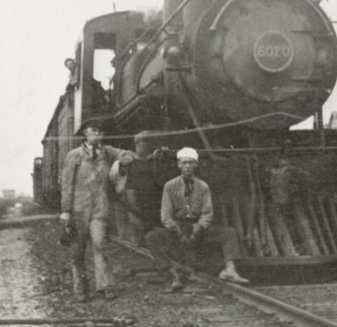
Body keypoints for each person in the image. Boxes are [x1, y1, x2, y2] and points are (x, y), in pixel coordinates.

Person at [145, 147, 249, 291]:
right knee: (151, 237)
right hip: (177, 227)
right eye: (184, 163)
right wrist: (177, 231)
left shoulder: (203, 186)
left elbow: (207, 213)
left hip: (198, 228)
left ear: (196, 165)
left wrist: (198, 228)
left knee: (229, 233)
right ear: (178, 165)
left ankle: (230, 269)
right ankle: (173, 272)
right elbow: (166, 215)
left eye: (190, 163)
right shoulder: (170, 187)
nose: (187, 166)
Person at [60, 115, 136, 302]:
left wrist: (119, 162)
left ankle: (106, 286)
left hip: (100, 208)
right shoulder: (74, 156)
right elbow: (67, 183)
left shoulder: (108, 152)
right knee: (77, 251)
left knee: (101, 245)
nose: (97, 134)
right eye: (93, 130)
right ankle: (81, 290)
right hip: (78, 209)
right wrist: (65, 210)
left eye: (100, 131)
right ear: (85, 133)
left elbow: (130, 155)